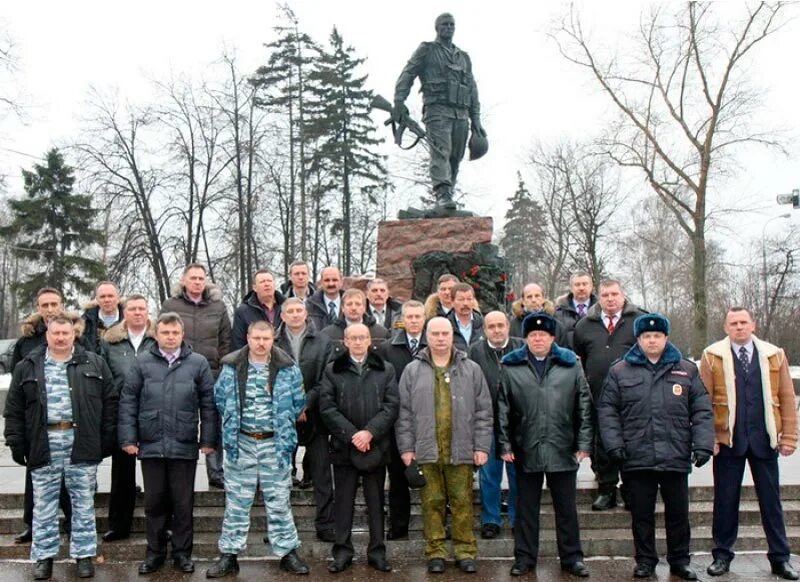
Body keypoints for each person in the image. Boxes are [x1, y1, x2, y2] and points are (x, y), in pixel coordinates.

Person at [598, 313, 714, 580]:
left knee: (678, 514)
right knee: (641, 515)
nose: (652, 340)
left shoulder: (686, 369)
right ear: (638, 339)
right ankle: (645, 560)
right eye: (646, 336)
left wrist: (703, 444)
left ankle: (679, 560)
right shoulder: (620, 370)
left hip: (675, 454)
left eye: (657, 336)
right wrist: (614, 445)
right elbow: (607, 411)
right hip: (636, 456)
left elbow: (702, 410)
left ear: (666, 338)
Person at [5, 314, 117, 580]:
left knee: (82, 505)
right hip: (44, 444)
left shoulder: (94, 363)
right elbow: (14, 409)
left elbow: (111, 404)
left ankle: (84, 556)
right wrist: (16, 442)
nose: (60, 338)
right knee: (44, 506)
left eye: (65, 333)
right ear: (47, 335)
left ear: (73, 334)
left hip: (82, 444)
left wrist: (106, 441)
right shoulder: (28, 366)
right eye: (55, 333)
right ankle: (44, 558)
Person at [700, 307, 799, 580]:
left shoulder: (773, 354)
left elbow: (787, 398)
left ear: (753, 325)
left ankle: (780, 558)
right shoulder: (712, 356)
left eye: (744, 322)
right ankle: (721, 556)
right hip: (728, 440)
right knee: (724, 501)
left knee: (772, 503)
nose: (739, 327)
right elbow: (702, 403)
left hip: (764, 440)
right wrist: (709, 439)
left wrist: (789, 436)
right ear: (726, 327)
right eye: (734, 323)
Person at [206, 321, 310, 577]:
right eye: (256, 338)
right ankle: (229, 555)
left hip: (275, 445)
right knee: (237, 503)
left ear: (272, 339)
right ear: (248, 338)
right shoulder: (231, 367)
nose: (261, 343)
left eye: (266, 338)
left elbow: (298, 404)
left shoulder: (288, 369)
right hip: (241, 444)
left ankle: (287, 553)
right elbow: (220, 400)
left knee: (279, 502)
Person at [118, 312, 218, 575]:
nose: (170, 337)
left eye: (175, 333)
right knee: (154, 503)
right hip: (151, 444)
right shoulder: (142, 363)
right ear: (157, 334)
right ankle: (155, 553)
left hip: (184, 444)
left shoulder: (198, 363)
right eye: (165, 332)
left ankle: (183, 554)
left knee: (183, 503)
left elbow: (209, 404)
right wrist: (128, 438)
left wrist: (208, 439)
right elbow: (128, 401)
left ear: (182, 335)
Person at [497, 313, 592, 578]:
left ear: (553, 337)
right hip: (525, 448)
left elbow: (584, 404)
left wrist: (584, 442)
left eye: (543, 335)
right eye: (532, 335)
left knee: (566, 508)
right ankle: (525, 557)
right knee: (526, 507)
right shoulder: (510, 366)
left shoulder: (571, 364)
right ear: (525, 338)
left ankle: (572, 558)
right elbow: (502, 408)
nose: (538, 339)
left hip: (563, 446)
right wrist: (504, 444)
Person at [395, 317, 492, 574]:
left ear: (452, 336)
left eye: (444, 333)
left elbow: (484, 411)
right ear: (427, 336)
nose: (440, 338)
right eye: (435, 333)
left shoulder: (471, 369)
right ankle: (435, 551)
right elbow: (403, 413)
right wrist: (406, 449)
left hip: (461, 448)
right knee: (432, 501)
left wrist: (481, 447)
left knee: (462, 501)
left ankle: (465, 551)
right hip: (426, 449)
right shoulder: (412, 370)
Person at [319, 324, 400, 573]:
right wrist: (353, 435)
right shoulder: (333, 370)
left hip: (376, 447)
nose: (357, 341)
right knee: (343, 503)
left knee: (376, 504)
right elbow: (327, 408)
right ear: (345, 341)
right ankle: (342, 552)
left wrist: (370, 432)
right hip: (345, 448)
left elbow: (392, 405)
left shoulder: (385, 369)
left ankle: (377, 552)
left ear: (369, 340)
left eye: (362, 337)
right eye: (353, 338)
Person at [393, 13, 486, 210]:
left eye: (452, 24)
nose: (449, 27)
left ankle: (448, 194)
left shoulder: (464, 57)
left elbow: (472, 89)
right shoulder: (427, 50)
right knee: (441, 152)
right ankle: (442, 193)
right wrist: (399, 100)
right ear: (437, 28)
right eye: (445, 24)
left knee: (456, 156)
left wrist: (476, 119)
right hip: (438, 110)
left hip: (461, 113)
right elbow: (408, 73)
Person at [573, 278, 647, 511]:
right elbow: (580, 359)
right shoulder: (585, 325)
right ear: (599, 297)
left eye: (615, 294)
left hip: (633, 397)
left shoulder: (639, 321)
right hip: (599, 396)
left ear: (623, 295)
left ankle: (630, 489)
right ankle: (606, 489)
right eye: (605, 295)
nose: (610, 299)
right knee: (603, 444)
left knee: (632, 444)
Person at [8, 287, 73, 545]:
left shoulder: (74, 335)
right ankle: (32, 525)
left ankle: (71, 523)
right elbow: (17, 384)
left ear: (61, 305)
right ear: (38, 306)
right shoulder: (26, 342)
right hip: (36, 421)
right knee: (33, 480)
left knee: (70, 480)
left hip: (69, 422)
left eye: (53, 304)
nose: (49, 309)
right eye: (44, 304)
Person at [161, 263, 231, 489]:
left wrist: (222, 367)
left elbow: (226, 341)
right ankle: (181, 468)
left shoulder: (218, 306)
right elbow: (162, 335)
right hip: (181, 370)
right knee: (183, 418)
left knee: (214, 420)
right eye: (193, 278)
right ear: (184, 280)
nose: (197, 282)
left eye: (201, 278)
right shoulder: (171, 305)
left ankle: (216, 471)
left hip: (212, 371)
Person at [275, 298, 336, 542]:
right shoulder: (272, 342)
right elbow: (269, 376)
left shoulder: (322, 341)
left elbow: (327, 377)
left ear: (306, 313)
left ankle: (325, 524)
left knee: (322, 474)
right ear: (282, 315)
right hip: (281, 416)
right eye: (290, 311)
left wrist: (305, 404)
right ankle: (280, 526)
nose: (295, 314)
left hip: (316, 415)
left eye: (299, 310)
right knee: (280, 475)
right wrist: (290, 405)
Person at [98, 294, 156, 543]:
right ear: (125, 312)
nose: (137, 313)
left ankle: (162, 525)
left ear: (147, 311)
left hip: (154, 412)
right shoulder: (110, 342)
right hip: (123, 414)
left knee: (157, 473)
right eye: (132, 308)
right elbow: (105, 381)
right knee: (122, 474)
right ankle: (119, 525)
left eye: (141, 308)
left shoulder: (157, 340)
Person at [467, 311, 523, 539]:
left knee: (517, 473)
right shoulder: (474, 351)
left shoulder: (521, 348)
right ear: (484, 329)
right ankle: (491, 519)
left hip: (517, 422)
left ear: (508, 326)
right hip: (487, 421)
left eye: (501, 325)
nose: (497, 330)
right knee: (489, 474)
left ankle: (518, 517)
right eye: (491, 326)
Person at [375, 300, 427, 541]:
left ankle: (436, 527)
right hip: (398, 422)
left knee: (433, 477)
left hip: (429, 422)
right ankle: (398, 526)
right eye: (410, 317)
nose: (414, 321)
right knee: (397, 477)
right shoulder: (387, 348)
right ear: (402, 320)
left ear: (424, 318)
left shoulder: (436, 343)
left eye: (418, 316)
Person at [320, 288, 389, 358]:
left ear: (364, 308)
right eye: (349, 304)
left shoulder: (381, 333)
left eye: (358, 304)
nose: (353, 308)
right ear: (342, 308)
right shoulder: (328, 334)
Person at [232, 270, 286, 350]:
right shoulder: (243, 312)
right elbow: (238, 343)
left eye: (269, 281)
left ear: (274, 284)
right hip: (255, 359)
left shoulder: (287, 308)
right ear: (254, 287)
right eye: (262, 282)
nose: (267, 284)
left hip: (284, 359)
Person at [555, 273, 597, 349]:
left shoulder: (601, 310)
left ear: (591, 287)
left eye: (585, 284)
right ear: (571, 288)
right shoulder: (558, 313)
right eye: (577, 285)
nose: (581, 288)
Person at [81, 281, 123, 353]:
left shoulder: (130, 321)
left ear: (118, 298)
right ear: (97, 299)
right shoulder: (84, 322)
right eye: (102, 296)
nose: (106, 300)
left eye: (110, 296)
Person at [446, 282, 484, 351]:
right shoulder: (445, 325)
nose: (465, 303)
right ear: (452, 302)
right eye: (461, 299)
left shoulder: (483, 324)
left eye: (469, 299)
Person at [307, 266, 345, 333]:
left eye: (334, 280)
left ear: (341, 282)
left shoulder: (351, 304)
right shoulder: (309, 306)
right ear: (321, 282)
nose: (331, 284)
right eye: (327, 280)